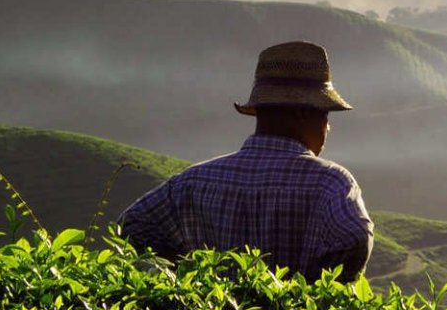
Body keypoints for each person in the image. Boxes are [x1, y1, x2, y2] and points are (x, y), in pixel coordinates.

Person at [119, 41, 373, 282]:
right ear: (304, 113)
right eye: (325, 116)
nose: (328, 127)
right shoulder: (331, 184)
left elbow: (132, 225)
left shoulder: (193, 182)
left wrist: (181, 278)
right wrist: (318, 290)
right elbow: (354, 237)